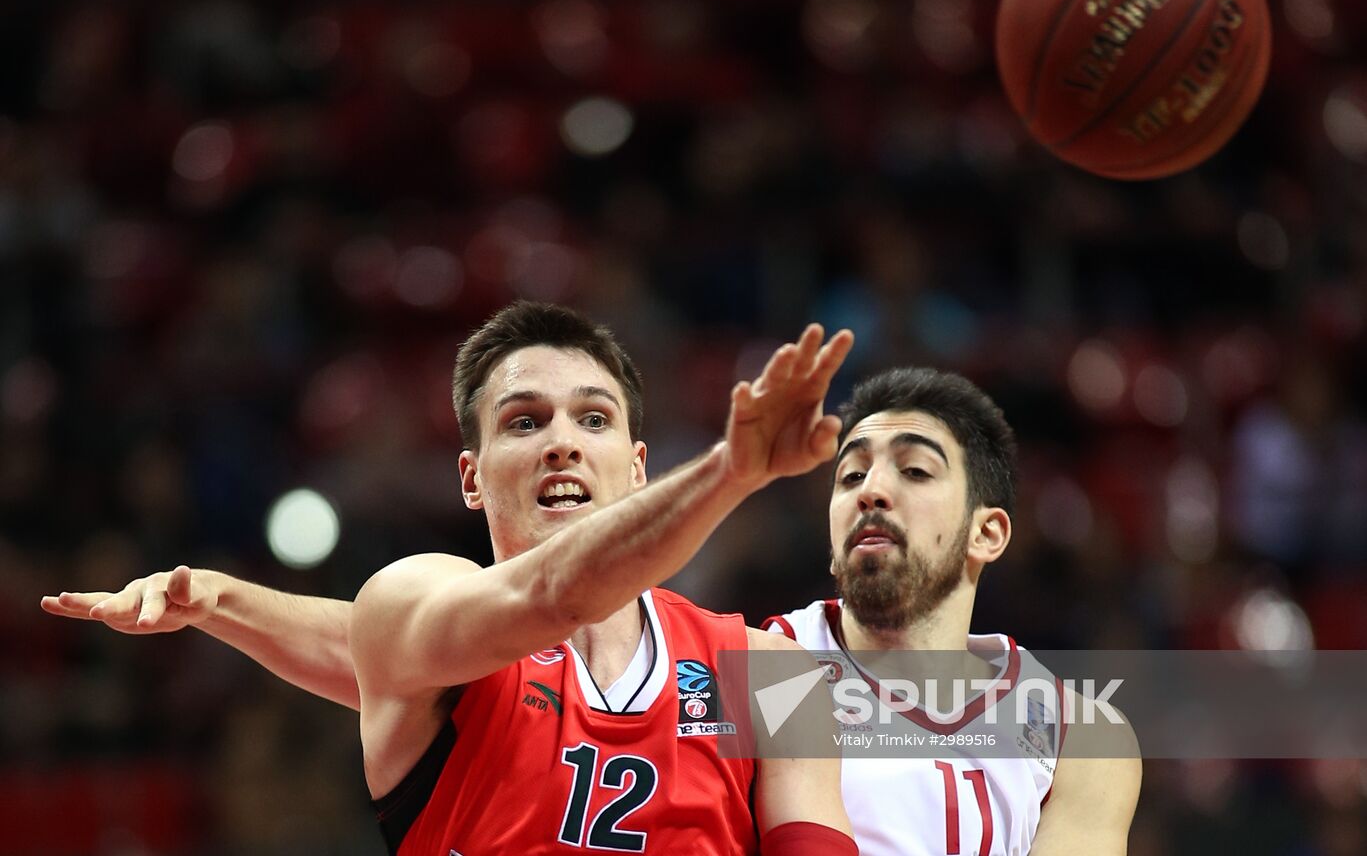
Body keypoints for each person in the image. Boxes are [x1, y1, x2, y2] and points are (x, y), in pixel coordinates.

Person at [46, 330, 1141, 854]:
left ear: (632, 461)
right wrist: (730, 472)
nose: (561, 441)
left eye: (593, 418)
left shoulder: (768, 667)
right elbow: (533, 606)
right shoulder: (416, 597)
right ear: (470, 473)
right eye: (523, 421)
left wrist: (226, 601)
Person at [762, 367, 1141, 856]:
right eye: (851, 475)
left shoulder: (1080, 735)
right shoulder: (764, 662)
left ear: (986, 534)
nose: (869, 491)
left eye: (915, 470)